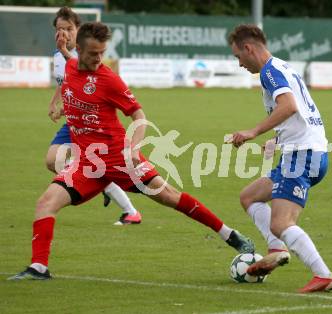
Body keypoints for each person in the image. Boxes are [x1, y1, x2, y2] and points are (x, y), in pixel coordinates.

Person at [9, 22, 254, 280]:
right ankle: (38, 267)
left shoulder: (109, 80)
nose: (99, 59)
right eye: (93, 53)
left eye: (102, 52)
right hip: (88, 164)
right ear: (79, 50)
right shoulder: (71, 65)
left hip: (119, 158)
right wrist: (63, 52)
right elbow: (72, 65)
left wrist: (134, 147)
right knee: (45, 203)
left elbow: (138, 114)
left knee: (170, 196)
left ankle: (230, 234)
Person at [227, 24, 332, 293]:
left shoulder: (270, 72)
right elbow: (304, 114)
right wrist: (278, 140)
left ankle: (323, 275)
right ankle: (277, 249)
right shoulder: (283, 66)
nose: (240, 63)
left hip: (303, 156)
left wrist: (253, 131)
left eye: (238, 56)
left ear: (248, 48)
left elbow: (289, 106)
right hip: (305, 151)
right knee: (249, 197)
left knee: (281, 223)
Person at [47, 7, 143, 225]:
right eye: (60, 28)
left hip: (93, 126)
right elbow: (66, 82)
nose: (64, 33)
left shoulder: (83, 56)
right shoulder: (59, 55)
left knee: (76, 164)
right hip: (75, 122)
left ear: (78, 30)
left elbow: (85, 78)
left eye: (69, 28)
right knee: (53, 161)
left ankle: (128, 209)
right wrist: (58, 103)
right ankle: (110, 190)